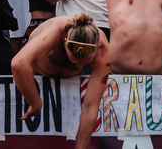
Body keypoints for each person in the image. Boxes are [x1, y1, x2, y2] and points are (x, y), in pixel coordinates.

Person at [11, 13, 111, 149]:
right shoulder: (55, 31)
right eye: (74, 61)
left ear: (97, 47)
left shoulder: (103, 51)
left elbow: (90, 108)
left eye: (85, 63)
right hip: (35, 74)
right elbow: (18, 64)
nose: (78, 67)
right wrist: (35, 103)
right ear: (65, 41)